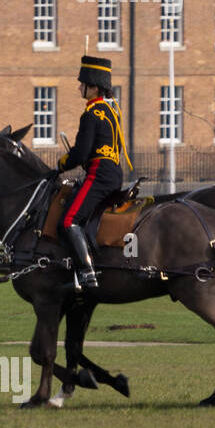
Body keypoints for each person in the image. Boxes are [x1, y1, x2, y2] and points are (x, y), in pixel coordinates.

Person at [54, 55, 130, 290]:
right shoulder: (111, 110)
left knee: (68, 220)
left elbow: (80, 154)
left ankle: (87, 273)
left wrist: (61, 164)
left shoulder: (91, 114)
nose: (79, 87)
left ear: (94, 86)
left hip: (99, 175)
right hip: (113, 172)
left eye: (83, 83)